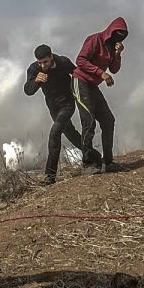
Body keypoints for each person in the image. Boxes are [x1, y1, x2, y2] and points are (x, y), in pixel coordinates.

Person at [24, 44, 88, 184]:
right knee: (70, 134)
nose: (42, 65)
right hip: (53, 108)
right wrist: (36, 81)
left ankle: (50, 176)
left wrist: (83, 94)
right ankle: (93, 157)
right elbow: (28, 90)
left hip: (67, 104)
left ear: (51, 57)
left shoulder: (62, 62)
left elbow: (78, 74)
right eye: (39, 62)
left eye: (45, 62)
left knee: (54, 134)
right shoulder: (34, 69)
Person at [72, 17, 128, 174]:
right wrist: (101, 73)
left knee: (108, 120)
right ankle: (87, 164)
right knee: (88, 122)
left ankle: (108, 162)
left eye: (123, 34)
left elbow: (115, 69)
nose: (120, 36)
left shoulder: (112, 47)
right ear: (110, 31)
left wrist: (117, 54)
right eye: (117, 33)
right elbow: (80, 60)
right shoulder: (95, 39)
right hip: (80, 83)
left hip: (93, 86)